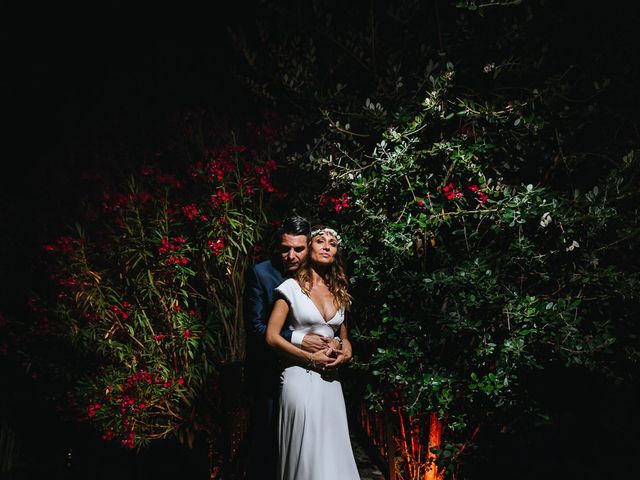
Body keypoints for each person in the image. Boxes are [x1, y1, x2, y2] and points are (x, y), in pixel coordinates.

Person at [243, 216, 343, 479]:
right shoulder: (262, 274)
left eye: (298, 249)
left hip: (315, 377)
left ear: (308, 246)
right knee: (267, 450)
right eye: (285, 248)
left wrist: (339, 345)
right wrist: (298, 337)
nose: (291, 255)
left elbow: (334, 326)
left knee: (314, 448)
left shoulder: (322, 278)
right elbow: (255, 327)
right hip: (269, 376)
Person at [266, 226, 359, 480]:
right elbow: (272, 336)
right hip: (299, 376)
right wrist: (309, 357)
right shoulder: (291, 288)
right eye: (320, 241)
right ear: (309, 249)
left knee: (333, 448)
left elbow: (343, 336)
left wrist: (346, 349)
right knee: (306, 451)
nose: (327, 246)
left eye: (333, 243)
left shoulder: (339, 290)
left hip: (331, 380)